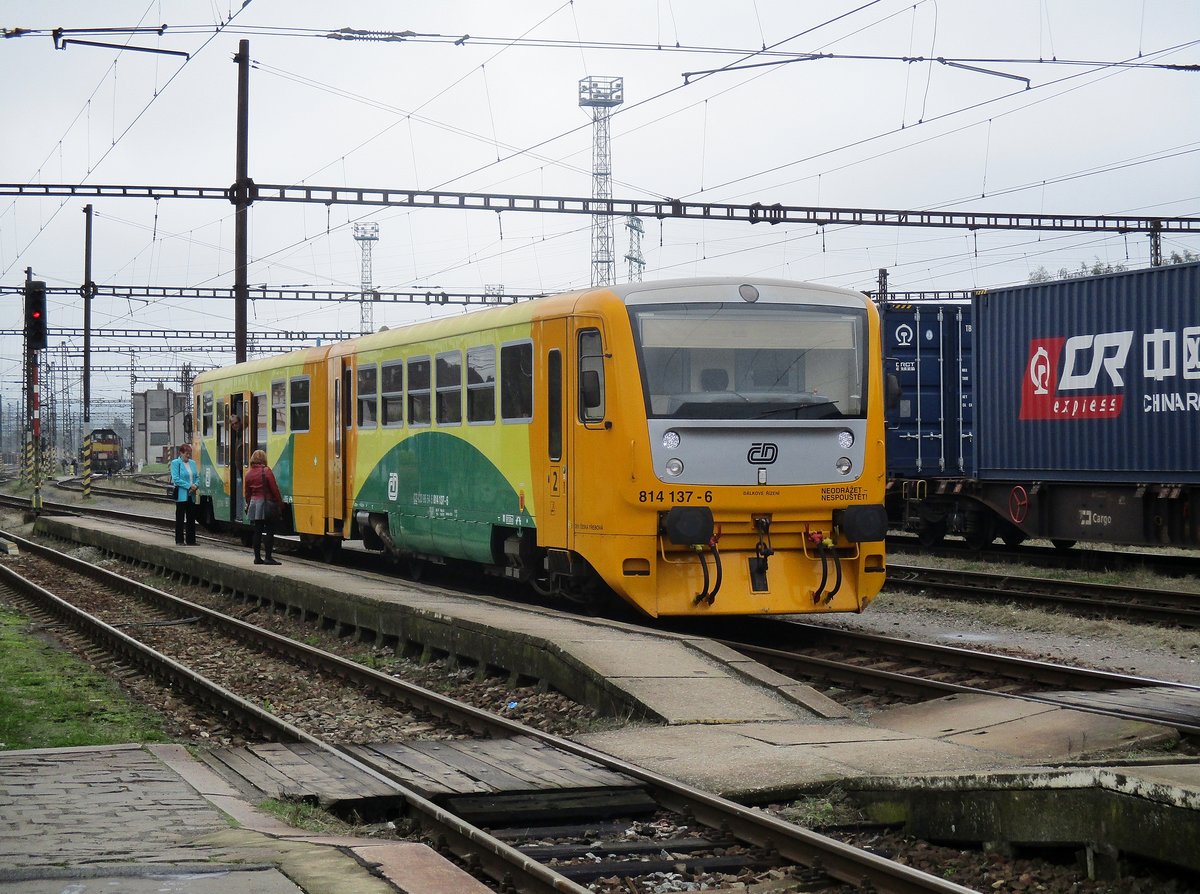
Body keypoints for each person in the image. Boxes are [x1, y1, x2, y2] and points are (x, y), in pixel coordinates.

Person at [243, 449, 283, 565]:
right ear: (263, 459)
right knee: (270, 530)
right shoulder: (266, 471)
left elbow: (247, 493)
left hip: (255, 504)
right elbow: (274, 489)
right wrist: (279, 503)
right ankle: (268, 557)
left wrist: (249, 503)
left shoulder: (249, 473)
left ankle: (257, 558)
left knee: (258, 530)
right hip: (267, 503)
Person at [170, 443, 199, 546]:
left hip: (191, 495)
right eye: (186, 453)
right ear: (181, 453)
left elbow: (197, 477)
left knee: (191, 518)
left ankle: (191, 540)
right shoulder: (175, 463)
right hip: (182, 495)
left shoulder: (193, 463)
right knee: (180, 518)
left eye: (189, 454)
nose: (188, 456)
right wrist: (189, 486)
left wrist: (195, 485)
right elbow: (176, 479)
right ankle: (179, 540)